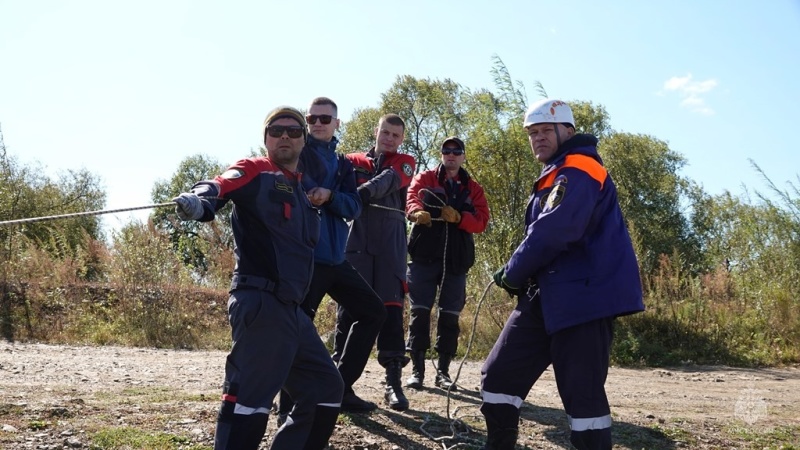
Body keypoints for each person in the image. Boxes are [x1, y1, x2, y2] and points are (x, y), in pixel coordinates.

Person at [173, 106, 344, 450]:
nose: (285, 136)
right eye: (276, 130)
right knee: (250, 400)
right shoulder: (256, 170)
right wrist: (200, 201)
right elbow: (219, 186)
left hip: (293, 312)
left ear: (303, 139)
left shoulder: (302, 189)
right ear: (265, 138)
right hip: (261, 303)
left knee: (326, 387)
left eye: (293, 131)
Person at [480, 99, 644, 450]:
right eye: (532, 133)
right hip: (545, 296)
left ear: (567, 131)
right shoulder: (557, 171)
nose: (537, 138)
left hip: (584, 299)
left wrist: (512, 271)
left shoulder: (580, 167)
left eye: (544, 131)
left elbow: (554, 229)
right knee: (498, 376)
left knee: (583, 399)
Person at [277, 97, 386, 420]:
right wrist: (326, 196)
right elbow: (301, 192)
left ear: (337, 123)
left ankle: (338, 388)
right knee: (296, 327)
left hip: (336, 259)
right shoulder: (298, 153)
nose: (318, 123)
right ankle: (288, 407)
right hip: (306, 259)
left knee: (374, 312)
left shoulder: (343, 164)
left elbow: (354, 207)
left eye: (325, 118)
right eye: (312, 119)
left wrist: (330, 196)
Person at [335, 113, 416, 411]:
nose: (390, 139)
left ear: (401, 139)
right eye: (386, 132)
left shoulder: (406, 161)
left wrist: (354, 196)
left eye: (395, 135)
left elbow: (387, 182)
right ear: (376, 131)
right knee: (349, 309)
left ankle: (393, 383)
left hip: (391, 241)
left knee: (391, 307)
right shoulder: (351, 160)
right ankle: (338, 382)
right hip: (356, 237)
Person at [404, 136, 490, 391]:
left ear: (463, 156)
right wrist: (416, 212)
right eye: (446, 151)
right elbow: (411, 199)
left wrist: (460, 218)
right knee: (419, 312)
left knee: (450, 316)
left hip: (456, 260)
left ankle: (443, 372)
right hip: (423, 256)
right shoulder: (425, 178)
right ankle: (417, 371)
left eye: (456, 151)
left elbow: (482, 221)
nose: (451, 155)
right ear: (441, 154)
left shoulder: (473, 188)